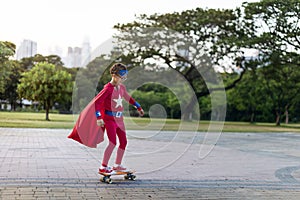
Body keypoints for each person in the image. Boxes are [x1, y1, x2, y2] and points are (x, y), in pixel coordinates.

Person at [95, 63, 144, 174]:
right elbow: (97, 102)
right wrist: (99, 117)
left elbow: (128, 97)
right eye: (121, 77)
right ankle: (103, 166)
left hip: (120, 120)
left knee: (123, 142)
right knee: (112, 143)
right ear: (114, 75)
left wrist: (138, 106)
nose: (122, 80)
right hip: (109, 120)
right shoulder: (107, 89)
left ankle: (117, 165)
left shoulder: (121, 87)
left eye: (124, 78)